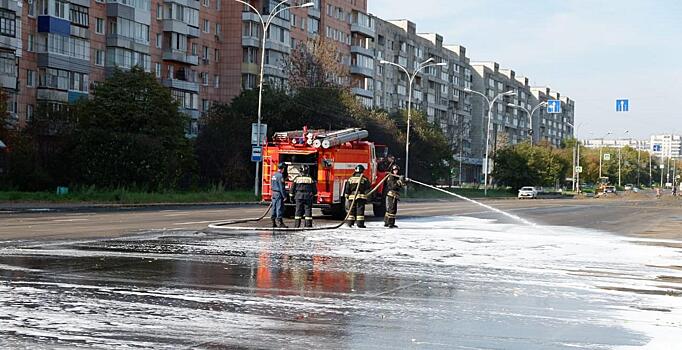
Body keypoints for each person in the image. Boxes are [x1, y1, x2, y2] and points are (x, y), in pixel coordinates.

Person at [271, 162, 288, 228]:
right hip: (278, 194)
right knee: (279, 207)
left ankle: (273, 222)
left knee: (274, 207)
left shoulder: (274, 175)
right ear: (283, 169)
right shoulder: (280, 176)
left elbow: (272, 184)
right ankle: (280, 223)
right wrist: (284, 196)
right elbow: (281, 187)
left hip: (274, 193)